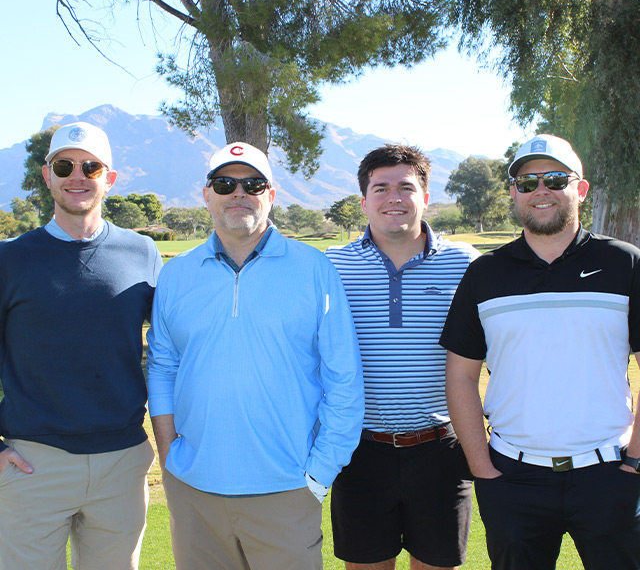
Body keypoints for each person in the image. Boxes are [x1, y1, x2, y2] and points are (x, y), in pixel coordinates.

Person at [146, 141, 364, 570]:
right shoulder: (176, 274)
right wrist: (170, 451)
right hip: (195, 488)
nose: (239, 193)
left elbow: (344, 376)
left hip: (286, 488)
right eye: (225, 183)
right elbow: (163, 365)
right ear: (207, 194)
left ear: (271, 194)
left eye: (253, 183)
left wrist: (321, 471)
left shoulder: (314, 269)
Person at [440, 134, 640, 569]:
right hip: (513, 477)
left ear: (580, 189)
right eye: (526, 182)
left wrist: (636, 462)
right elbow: (459, 375)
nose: (540, 190)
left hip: (609, 472)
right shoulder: (484, 273)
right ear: (513, 193)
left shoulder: (625, 262)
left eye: (554, 178)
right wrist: (483, 467)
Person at [0, 121, 162, 570]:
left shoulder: (143, 252)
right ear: (47, 174)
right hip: (33, 462)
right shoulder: (9, 258)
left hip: (123, 463)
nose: (78, 175)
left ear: (108, 179)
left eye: (90, 166)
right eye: (64, 165)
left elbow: (172, 349)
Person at [325, 144, 479, 570]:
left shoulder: (465, 264)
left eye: (406, 187)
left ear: (425, 197)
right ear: (364, 201)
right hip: (360, 449)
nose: (394, 197)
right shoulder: (331, 266)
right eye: (381, 188)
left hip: (442, 449)